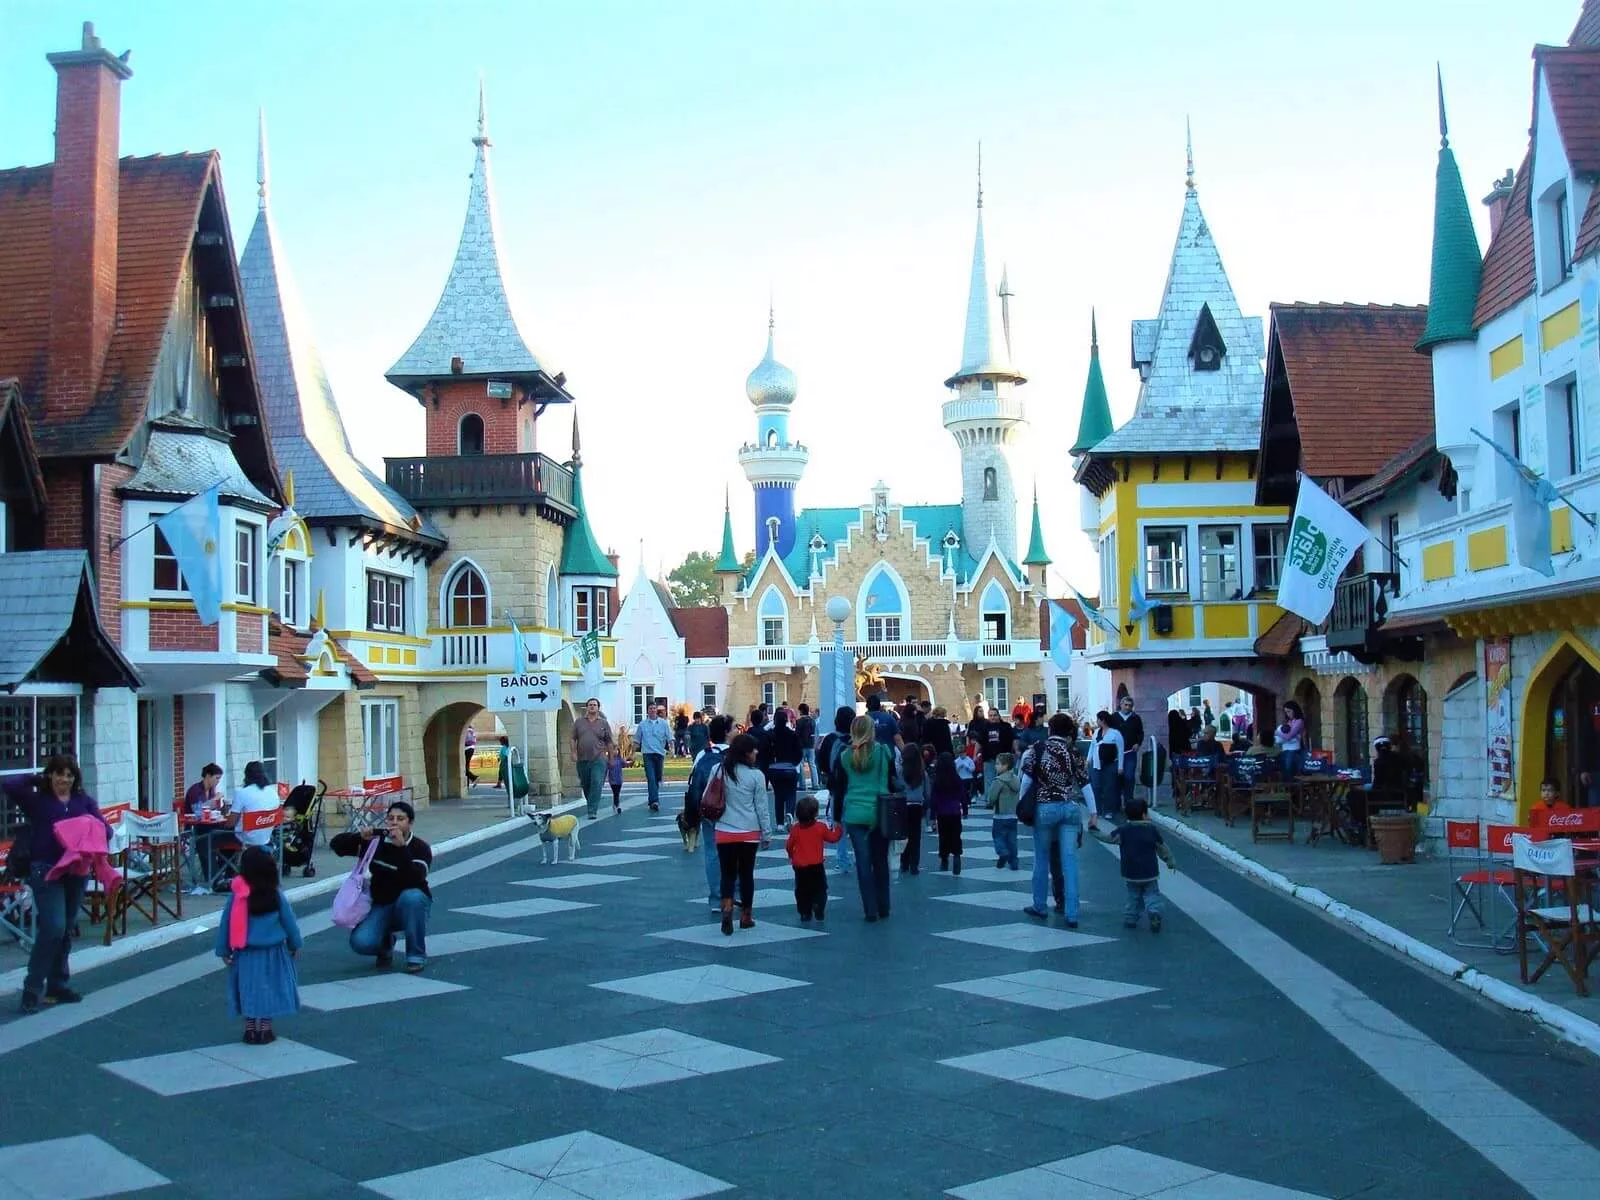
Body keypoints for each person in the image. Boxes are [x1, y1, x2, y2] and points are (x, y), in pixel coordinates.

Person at [5, 755, 111, 1014]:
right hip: (46, 870)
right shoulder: (37, 801)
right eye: (59, 774)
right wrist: (35, 778)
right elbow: (9, 784)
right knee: (53, 926)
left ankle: (58, 983)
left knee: (65, 930)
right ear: (50, 776)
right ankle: (32, 987)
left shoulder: (83, 801)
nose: (64, 779)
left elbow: (105, 830)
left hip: (76, 870)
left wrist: (88, 828)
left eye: (69, 775)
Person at [330, 800, 433, 972]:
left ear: (410, 823)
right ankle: (385, 943)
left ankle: (416, 955)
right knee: (361, 942)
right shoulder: (376, 842)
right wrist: (359, 837)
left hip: (410, 905)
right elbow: (337, 846)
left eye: (400, 819)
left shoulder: (420, 848)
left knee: (412, 897)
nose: (394, 822)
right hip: (381, 904)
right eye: (391, 818)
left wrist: (401, 849)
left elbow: (415, 879)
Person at [214, 846, 302, 1044]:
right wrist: (295, 944)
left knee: (248, 989)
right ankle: (265, 1029)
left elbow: (226, 924)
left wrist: (224, 949)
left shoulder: (237, 897)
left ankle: (250, 1029)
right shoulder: (276, 896)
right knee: (269, 988)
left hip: (245, 954)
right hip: (274, 952)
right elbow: (290, 922)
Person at [1021, 713, 1092, 927]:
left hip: (1044, 808)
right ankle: (1072, 913)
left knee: (1041, 859)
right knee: (1069, 862)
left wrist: (1021, 804)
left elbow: (1026, 780)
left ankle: (1040, 906)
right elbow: (1085, 784)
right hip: (1069, 808)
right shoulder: (1074, 752)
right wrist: (1094, 812)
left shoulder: (1038, 749)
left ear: (1050, 729)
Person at [831, 715, 896, 921]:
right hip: (879, 810)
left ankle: (869, 909)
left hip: (854, 812)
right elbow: (891, 781)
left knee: (863, 861)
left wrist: (837, 816)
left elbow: (838, 788)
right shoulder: (883, 751)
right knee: (880, 860)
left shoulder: (845, 755)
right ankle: (883, 905)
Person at [714, 733, 773, 935]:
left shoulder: (719, 769)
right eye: (753, 750)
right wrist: (767, 833)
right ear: (746, 753)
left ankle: (727, 907)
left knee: (727, 874)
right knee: (746, 874)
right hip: (749, 831)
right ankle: (746, 915)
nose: (756, 753)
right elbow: (762, 808)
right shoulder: (756, 776)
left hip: (724, 829)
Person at [1091, 796, 1177, 933]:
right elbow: (1161, 847)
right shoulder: (1151, 830)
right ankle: (1154, 912)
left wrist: (1094, 831)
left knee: (1133, 896)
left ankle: (1130, 918)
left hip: (1130, 872)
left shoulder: (1123, 830)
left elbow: (1108, 838)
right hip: (1150, 872)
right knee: (1152, 894)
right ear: (1144, 815)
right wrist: (1170, 861)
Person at [686, 713, 734, 911]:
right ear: (726, 732)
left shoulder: (703, 755)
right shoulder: (736, 753)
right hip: (733, 811)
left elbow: (694, 783)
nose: (736, 731)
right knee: (735, 854)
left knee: (712, 853)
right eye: (733, 728)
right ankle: (734, 893)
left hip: (709, 809)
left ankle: (716, 897)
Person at [785, 794, 842, 922]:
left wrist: (791, 855)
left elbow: (789, 845)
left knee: (802, 890)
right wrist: (838, 828)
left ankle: (805, 912)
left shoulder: (796, 830)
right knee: (820, 888)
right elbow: (833, 838)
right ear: (815, 813)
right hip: (816, 864)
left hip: (800, 866)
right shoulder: (820, 827)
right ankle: (818, 905)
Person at [818, 706, 857, 876]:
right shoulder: (857, 741)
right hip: (857, 787)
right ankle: (860, 857)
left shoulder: (830, 739)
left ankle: (842, 861)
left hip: (836, 786)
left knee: (838, 823)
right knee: (858, 827)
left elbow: (821, 761)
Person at [571, 698, 615, 820]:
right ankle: (591, 803)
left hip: (599, 757)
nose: (592, 707)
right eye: (590, 705)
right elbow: (573, 738)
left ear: (598, 708)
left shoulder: (604, 723)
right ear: (586, 707)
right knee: (585, 784)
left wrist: (611, 759)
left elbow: (609, 742)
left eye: (594, 705)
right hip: (582, 758)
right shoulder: (579, 722)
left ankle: (592, 810)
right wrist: (573, 752)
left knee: (596, 782)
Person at [759, 706, 803, 827]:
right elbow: (799, 753)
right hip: (789, 767)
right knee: (791, 793)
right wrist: (794, 763)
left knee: (778, 795)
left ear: (774, 721)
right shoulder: (792, 735)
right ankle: (789, 813)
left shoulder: (770, 735)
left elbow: (764, 751)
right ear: (786, 720)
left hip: (774, 767)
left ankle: (779, 823)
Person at [231, 761, 282, 861]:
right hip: (266, 837)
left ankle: (224, 873)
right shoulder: (273, 792)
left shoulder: (242, 793)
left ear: (246, 775)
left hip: (245, 840)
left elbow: (231, 823)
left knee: (211, 838)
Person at [929, 753, 966, 874]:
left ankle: (944, 859)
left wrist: (932, 815)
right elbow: (962, 796)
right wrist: (965, 809)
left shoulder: (937, 781)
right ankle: (957, 855)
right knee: (956, 835)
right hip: (955, 811)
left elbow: (933, 799)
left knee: (943, 836)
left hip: (942, 813)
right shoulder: (957, 779)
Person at [1089, 711, 1125, 821]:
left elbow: (1120, 750)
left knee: (1109, 787)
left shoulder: (1115, 733)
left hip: (1110, 763)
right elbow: (1092, 746)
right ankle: (1097, 810)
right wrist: (1088, 759)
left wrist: (1120, 766)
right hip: (1097, 763)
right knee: (1095, 787)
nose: (1097, 722)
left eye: (1098, 719)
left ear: (1102, 720)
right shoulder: (1096, 733)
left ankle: (1109, 810)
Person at [987, 751, 1021, 870]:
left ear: (1005, 766)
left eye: (998, 764)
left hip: (1000, 815)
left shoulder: (999, 781)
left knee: (998, 836)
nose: (996, 766)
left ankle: (1002, 852)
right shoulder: (1016, 780)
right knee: (1012, 840)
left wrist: (990, 803)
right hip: (1013, 815)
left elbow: (992, 797)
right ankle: (1014, 862)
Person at [636, 701, 671, 813]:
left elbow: (670, 737)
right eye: (650, 708)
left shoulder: (663, 724)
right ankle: (654, 801)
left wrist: (672, 748)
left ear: (657, 710)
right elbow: (637, 740)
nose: (652, 710)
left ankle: (652, 798)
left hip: (659, 753)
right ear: (647, 710)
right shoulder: (642, 725)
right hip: (647, 754)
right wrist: (632, 753)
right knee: (651, 778)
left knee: (657, 778)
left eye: (654, 708)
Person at [898, 744, 929, 875]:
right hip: (917, 805)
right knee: (915, 837)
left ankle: (904, 862)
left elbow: (897, 787)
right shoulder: (922, 773)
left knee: (904, 835)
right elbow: (927, 792)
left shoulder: (900, 771)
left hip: (904, 805)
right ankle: (914, 864)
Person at [1111, 695, 1145, 811]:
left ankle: (1129, 803)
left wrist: (1138, 743)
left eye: (1130, 706)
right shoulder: (1114, 717)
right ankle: (1116, 804)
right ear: (1121, 705)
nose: (1127, 707)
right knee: (1116, 777)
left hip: (1130, 752)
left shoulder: (1135, 718)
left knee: (1129, 776)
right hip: (1116, 753)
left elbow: (1140, 733)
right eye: (1125, 705)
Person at [1276, 701, 1307, 780]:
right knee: (1284, 770)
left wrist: (1277, 733)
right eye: (1286, 712)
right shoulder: (1289, 721)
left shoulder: (1299, 721)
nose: (1287, 714)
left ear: (1294, 710)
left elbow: (1288, 736)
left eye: (1289, 711)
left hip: (1294, 750)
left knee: (1289, 770)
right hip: (1285, 748)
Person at [795, 703, 818, 788]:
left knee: (801, 764)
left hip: (801, 746)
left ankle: (803, 784)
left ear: (801, 711)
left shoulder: (799, 721)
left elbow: (797, 734)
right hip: (811, 744)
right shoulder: (812, 721)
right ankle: (815, 784)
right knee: (812, 764)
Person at [954, 744, 977, 814]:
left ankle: (968, 801)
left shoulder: (969, 760)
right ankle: (963, 801)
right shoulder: (956, 761)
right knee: (962, 791)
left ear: (965, 753)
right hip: (960, 778)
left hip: (968, 778)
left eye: (963, 753)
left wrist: (967, 767)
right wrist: (959, 768)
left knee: (967, 791)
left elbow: (973, 769)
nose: (961, 755)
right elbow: (955, 771)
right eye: (960, 754)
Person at [605, 746, 624, 815]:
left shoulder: (620, 759)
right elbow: (606, 769)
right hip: (612, 780)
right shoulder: (609, 760)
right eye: (614, 750)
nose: (615, 751)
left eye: (617, 750)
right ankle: (617, 806)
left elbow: (625, 764)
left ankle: (615, 804)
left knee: (617, 793)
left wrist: (631, 762)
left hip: (619, 780)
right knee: (615, 793)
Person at [463, 723, 478, 787]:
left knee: (464, 767)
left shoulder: (466, 730)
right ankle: (468, 783)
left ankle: (474, 777)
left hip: (467, 749)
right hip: (472, 748)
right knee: (466, 766)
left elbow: (466, 741)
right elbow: (474, 741)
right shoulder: (472, 731)